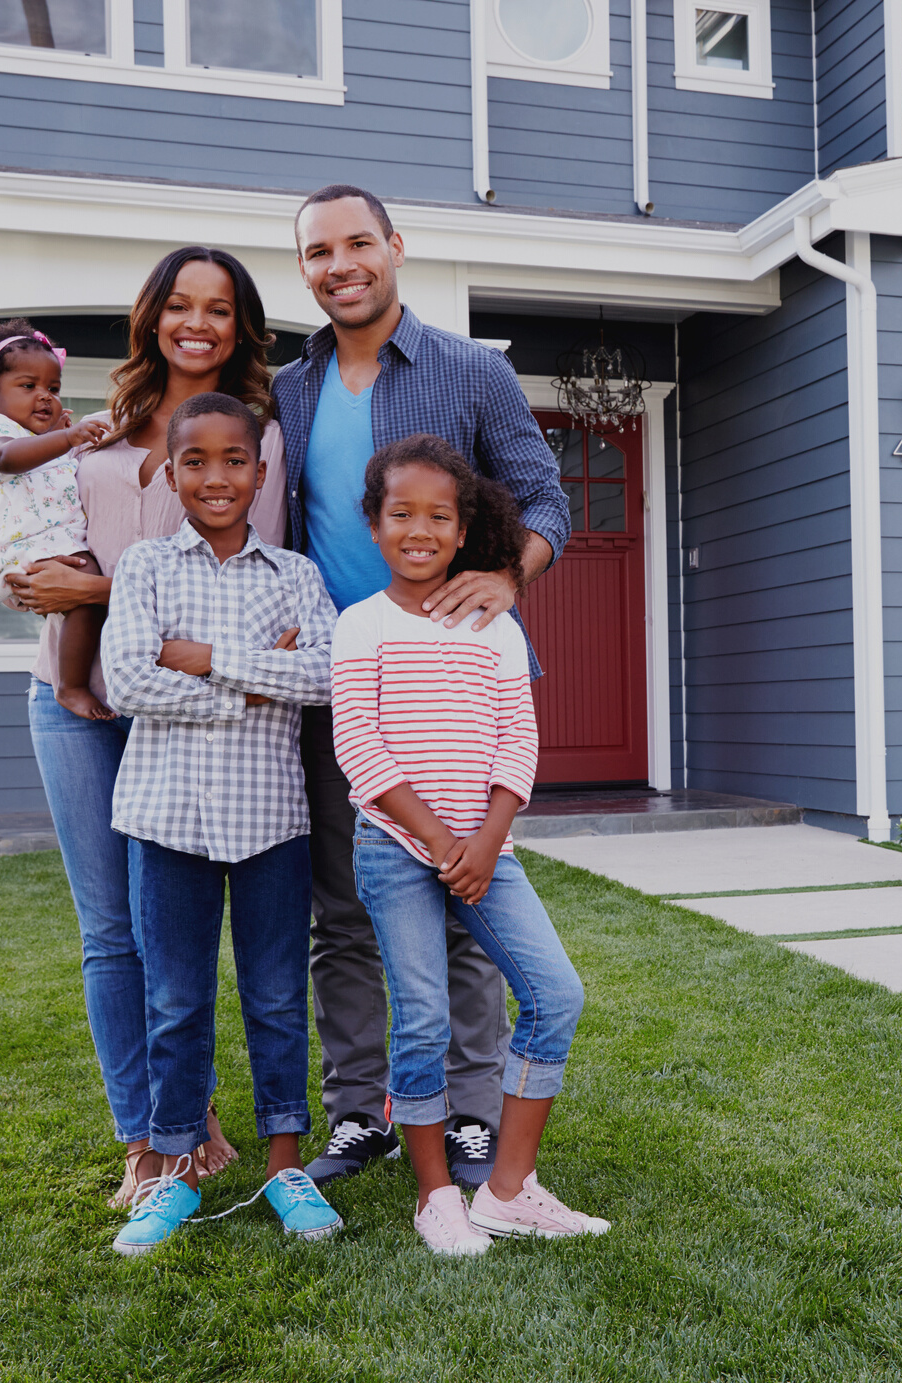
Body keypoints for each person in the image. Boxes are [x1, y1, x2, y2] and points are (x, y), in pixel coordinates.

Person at [273, 183, 571, 1188]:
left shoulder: (471, 371)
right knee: (346, 909)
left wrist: (508, 573)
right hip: (346, 686)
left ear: (395, 247)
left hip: (460, 684)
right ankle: (360, 1113)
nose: (340, 264)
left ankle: (474, 1114)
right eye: (319, 251)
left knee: (468, 905)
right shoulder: (290, 389)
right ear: (304, 269)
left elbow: (543, 496)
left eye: (359, 242)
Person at [4, 247, 287, 1207]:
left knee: (182, 930)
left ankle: (188, 1111)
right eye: (178, 304)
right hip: (74, 700)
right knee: (109, 932)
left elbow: (247, 590)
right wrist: (36, 579)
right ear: (152, 316)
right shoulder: (94, 429)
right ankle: (150, 1134)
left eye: (217, 308)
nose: (196, 323)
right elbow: (37, 549)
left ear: (241, 325)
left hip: (187, 714)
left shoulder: (261, 439)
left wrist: (92, 585)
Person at [333, 436, 604, 1255]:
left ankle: (508, 1191)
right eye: (401, 513)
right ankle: (434, 1196)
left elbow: (517, 743)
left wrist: (486, 842)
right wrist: (443, 841)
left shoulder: (498, 628)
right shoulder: (360, 625)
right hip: (396, 847)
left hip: (490, 848)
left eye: (438, 515)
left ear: (463, 529)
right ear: (374, 526)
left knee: (555, 997)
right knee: (423, 1019)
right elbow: (361, 750)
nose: (420, 528)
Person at [102, 393, 343, 1255]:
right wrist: (252, 680)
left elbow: (320, 676)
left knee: (279, 996)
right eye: (195, 461)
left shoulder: (296, 577)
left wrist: (202, 660)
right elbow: (128, 681)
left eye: (234, 460)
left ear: (260, 470)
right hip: (167, 819)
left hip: (271, 819)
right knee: (175, 998)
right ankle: (172, 1169)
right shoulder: (143, 569)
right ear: (172, 473)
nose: (215, 477)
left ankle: (286, 1164)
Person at [0, 320, 110, 720]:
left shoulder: (48, 440)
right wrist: (66, 438)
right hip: (17, 548)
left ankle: (76, 678)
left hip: (51, 543)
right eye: (28, 387)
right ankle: (70, 686)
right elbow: (6, 458)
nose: (44, 397)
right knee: (85, 590)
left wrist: (60, 438)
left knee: (85, 593)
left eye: (53, 389)